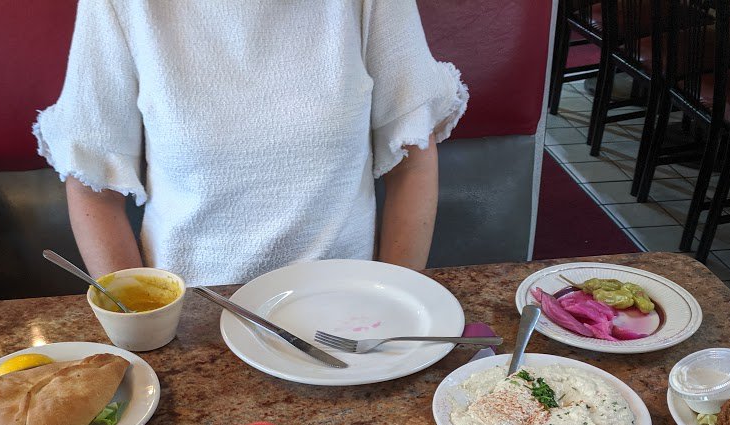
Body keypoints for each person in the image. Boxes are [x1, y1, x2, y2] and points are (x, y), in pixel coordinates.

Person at [35, 0, 467, 287]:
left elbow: (411, 157)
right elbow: (93, 183)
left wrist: (397, 300)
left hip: (345, 309)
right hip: (191, 311)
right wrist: (139, 320)